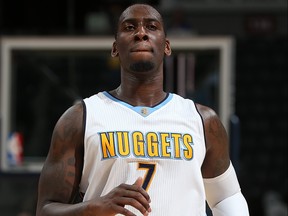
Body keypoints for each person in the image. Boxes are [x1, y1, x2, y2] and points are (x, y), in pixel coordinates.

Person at [36, 3, 249, 216]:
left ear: (166, 46)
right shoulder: (80, 118)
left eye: (151, 27)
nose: (140, 33)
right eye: (129, 28)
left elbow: (226, 198)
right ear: (115, 48)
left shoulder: (202, 120)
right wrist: (93, 207)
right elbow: (45, 210)